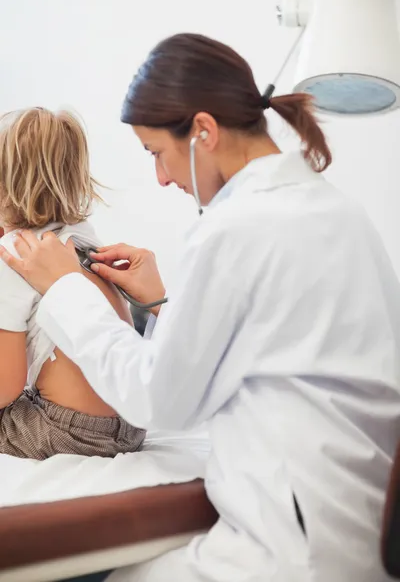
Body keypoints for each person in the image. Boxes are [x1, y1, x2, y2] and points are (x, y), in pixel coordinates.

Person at [1, 33, 400, 581]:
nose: (162, 178)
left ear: (203, 132)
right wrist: (162, 301)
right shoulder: (336, 212)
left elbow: (156, 399)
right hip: (354, 521)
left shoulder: (237, 229)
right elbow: (254, 349)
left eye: (157, 154)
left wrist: (66, 285)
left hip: (295, 543)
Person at [0, 107, 145, 459]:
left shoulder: (13, 256)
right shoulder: (81, 237)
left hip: (69, 431)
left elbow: (6, 386)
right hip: (133, 423)